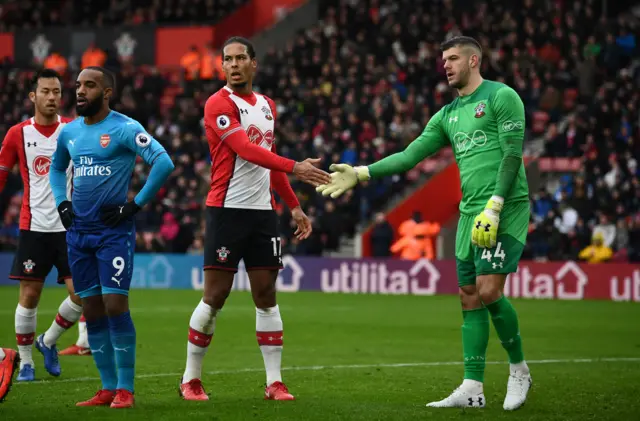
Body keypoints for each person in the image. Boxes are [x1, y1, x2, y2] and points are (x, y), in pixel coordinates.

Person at [317, 36, 532, 411]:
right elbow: (408, 156)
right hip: (469, 213)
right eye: (443, 60)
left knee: (488, 290)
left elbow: (512, 154)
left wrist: (495, 205)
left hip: (505, 206)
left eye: (452, 59)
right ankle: (472, 387)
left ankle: (519, 370)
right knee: (468, 296)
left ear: (474, 60)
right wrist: (361, 172)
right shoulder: (447, 114)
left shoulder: (502, 97)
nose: (445, 65)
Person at [178, 36, 330, 402]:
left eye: (240, 58)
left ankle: (274, 382)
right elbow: (245, 149)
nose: (233, 65)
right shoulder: (217, 103)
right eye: (227, 59)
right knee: (215, 296)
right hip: (225, 212)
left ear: (253, 64)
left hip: (263, 214)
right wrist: (297, 168)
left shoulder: (266, 105)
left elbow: (267, 155)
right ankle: (190, 379)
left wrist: (292, 205)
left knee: (266, 295)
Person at [49, 66, 175, 409]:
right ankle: (106, 388)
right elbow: (57, 168)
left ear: (107, 92)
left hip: (112, 234)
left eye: (89, 85)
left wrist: (133, 206)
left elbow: (163, 162)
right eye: (77, 85)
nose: (79, 91)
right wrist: (62, 202)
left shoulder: (124, 128)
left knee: (115, 305)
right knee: (91, 308)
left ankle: (126, 388)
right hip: (79, 234)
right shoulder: (69, 132)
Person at [0, 69, 89, 382]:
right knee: (29, 296)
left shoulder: (75, 129)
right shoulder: (17, 134)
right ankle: (25, 362)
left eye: (57, 92)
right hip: (34, 226)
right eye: (46, 92)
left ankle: (48, 341)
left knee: (82, 294)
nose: (53, 97)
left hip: (70, 227)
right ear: (32, 96)